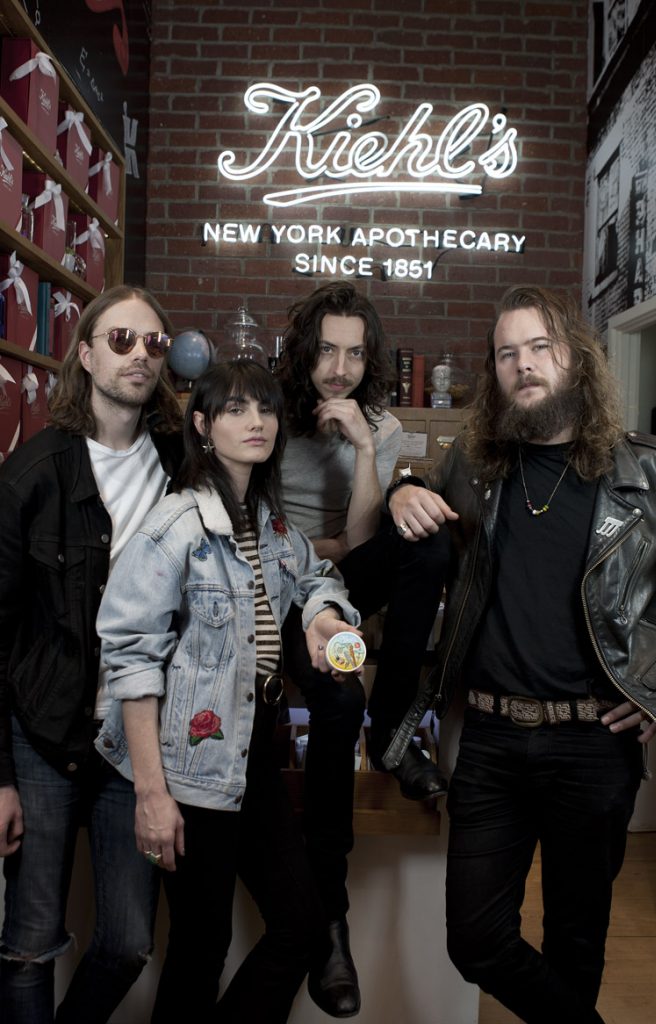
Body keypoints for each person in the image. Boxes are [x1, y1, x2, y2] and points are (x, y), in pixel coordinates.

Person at [383, 284, 656, 1024]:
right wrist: (399, 495)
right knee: (475, 940)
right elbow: (419, 515)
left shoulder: (653, 474)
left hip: (593, 742)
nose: (523, 364)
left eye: (540, 347)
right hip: (490, 741)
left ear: (577, 359)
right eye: (506, 353)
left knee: (576, 942)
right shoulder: (473, 467)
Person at [94, 361, 363, 1023]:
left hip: (252, 758)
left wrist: (324, 615)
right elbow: (131, 662)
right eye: (236, 409)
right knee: (199, 950)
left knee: (301, 926)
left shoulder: (270, 524)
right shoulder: (174, 527)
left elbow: (318, 576)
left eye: (266, 409)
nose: (257, 422)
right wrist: (152, 796)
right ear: (202, 426)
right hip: (189, 770)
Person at [0, 285, 183, 1023]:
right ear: (85, 355)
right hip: (41, 734)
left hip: (130, 742)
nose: (140, 354)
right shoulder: (33, 474)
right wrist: (0, 777)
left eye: (154, 343)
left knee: (129, 942)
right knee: (30, 942)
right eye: (121, 340)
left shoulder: (179, 466)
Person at [276, 281, 450, 1017]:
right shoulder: (267, 415)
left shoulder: (380, 425)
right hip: (278, 589)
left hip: (342, 579)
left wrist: (367, 451)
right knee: (336, 701)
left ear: (369, 358)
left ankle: (393, 729)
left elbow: (364, 540)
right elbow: (270, 543)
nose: (339, 369)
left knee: (429, 543)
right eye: (326, 351)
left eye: (353, 353)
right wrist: (321, 548)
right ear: (303, 353)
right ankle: (331, 923)